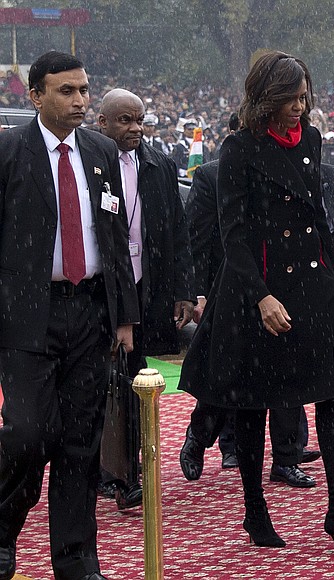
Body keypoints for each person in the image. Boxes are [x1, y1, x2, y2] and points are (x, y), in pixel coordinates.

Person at [178, 50, 334, 548]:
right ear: (266, 98)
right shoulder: (239, 148)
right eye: (289, 99)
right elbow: (233, 235)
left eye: (304, 98)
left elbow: (317, 214)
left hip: (315, 284)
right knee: (253, 404)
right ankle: (254, 510)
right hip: (258, 290)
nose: (299, 109)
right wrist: (261, 297)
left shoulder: (311, 138)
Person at [0, 51, 139, 580]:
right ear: (35, 96)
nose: (79, 99)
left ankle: (77, 560)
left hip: (90, 312)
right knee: (28, 435)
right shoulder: (10, 152)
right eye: (66, 91)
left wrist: (124, 316)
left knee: (81, 444)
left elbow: (115, 239)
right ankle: (3, 529)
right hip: (26, 315)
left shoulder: (102, 152)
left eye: (83, 90)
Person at [180, 114, 322, 487]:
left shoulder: (295, 161)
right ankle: (201, 435)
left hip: (284, 284)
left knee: (287, 372)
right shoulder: (212, 175)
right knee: (228, 377)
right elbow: (201, 237)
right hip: (231, 288)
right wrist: (197, 291)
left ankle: (286, 457)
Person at [96, 88, 195, 509]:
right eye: (124, 120)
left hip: (145, 289)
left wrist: (183, 291)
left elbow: (177, 232)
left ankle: (127, 470)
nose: (134, 128)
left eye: (139, 120)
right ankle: (103, 469)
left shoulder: (158, 165)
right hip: (99, 292)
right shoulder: (90, 163)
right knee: (100, 382)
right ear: (102, 123)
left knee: (135, 380)